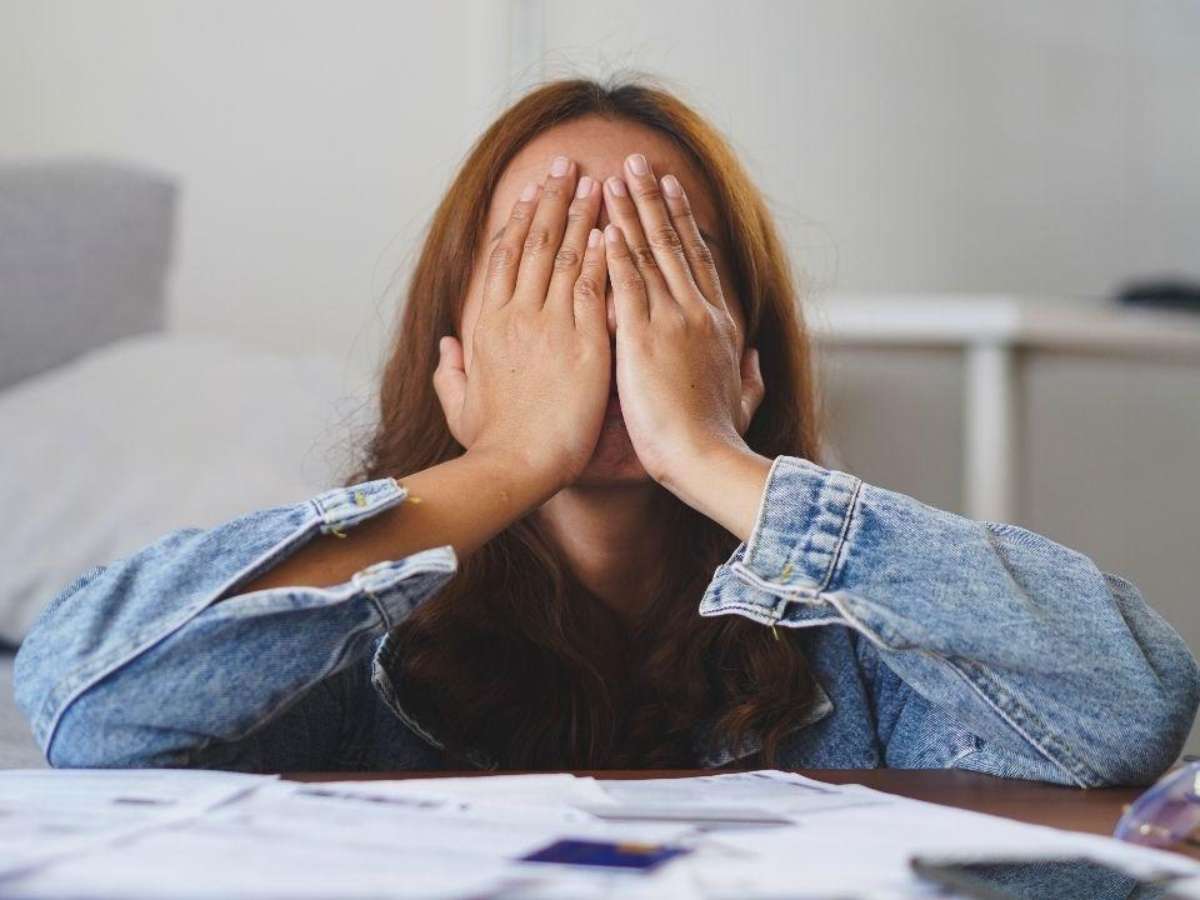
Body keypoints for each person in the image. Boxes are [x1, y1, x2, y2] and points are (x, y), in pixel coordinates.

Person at [15, 77, 1200, 784]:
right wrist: (503, 462)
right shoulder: (346, 643)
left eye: (656, 262)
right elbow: (82, 705)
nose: (606, 315)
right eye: (544, 266)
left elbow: (1132, 707)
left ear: (743, 361)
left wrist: (710, 459)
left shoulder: (860, 649)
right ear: (455, 363)